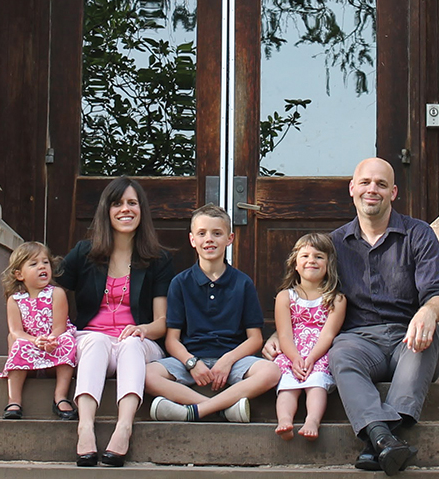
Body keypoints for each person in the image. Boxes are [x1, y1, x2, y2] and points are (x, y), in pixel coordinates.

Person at [264, 157, 439, 476]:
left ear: (393, 192)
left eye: (380, 184)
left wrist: (428, 312)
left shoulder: (418, 234)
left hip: (408, 336)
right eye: (365, 182)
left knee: (425, 343)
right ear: (352, 189)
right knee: (340, 354)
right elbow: (307, 293)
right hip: (359, 341)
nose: (372, 190)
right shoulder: (334, 244)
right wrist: (281, 334)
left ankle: (375, 441)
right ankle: (386, 439)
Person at [55, 177, 174, 467]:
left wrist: (142, 329)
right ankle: (85, 427)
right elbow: (53, 290)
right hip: (92, 340)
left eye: (132, 203)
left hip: (140, 344)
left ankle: (124, 427)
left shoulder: (158, 259)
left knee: (132, 343)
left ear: (142, 210)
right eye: (118, 203)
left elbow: (162, 321)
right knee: (95, 340)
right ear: (106, 210)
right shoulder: (85, 252)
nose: (125, 209)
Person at [145, 204, 281, 422]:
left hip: (233, 360)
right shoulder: (180, 283)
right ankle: (220, 409)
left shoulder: (242, 283)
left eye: (217, 233)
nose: (209, 239)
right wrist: (191, 363)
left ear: (230, 238)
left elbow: (255, 339)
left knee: (271, 372)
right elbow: (172, 340)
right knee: (146, 375)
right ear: (192, 240)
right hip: (190, 360)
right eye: (202, 233)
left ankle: (195, 411)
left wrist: (227, 360)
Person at [272, 232, 347, 441]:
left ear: (329, 264)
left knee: (316, 384)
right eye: (305, 256)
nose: (311, 260)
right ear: (295, 263)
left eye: (319, 256)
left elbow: (329, 333)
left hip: (320, 353)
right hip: (292, 351)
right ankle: (285, 420)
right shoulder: (285, 296)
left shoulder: (336, 299)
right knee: (287, 385)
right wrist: (295, 357)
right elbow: (284, 333)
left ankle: (312, 420)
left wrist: (312, 358)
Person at [0, 241, 78, 421]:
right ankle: (14, 400)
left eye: (45, 262)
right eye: (33, 264)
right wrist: (35, 341)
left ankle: (60, 396)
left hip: (53, 348)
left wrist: (50, 340)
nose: (42, 266)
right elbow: (16, 330)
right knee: (16, 342)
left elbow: (60, 327)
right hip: (30, 351)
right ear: (19, 274)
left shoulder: (56, 293)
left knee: (68, 341)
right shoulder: (15, 300)